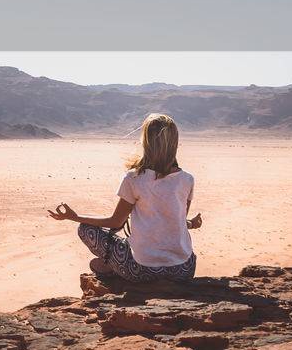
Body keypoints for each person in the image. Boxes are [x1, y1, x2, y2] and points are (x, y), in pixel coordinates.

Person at [48, 113, 202, 282]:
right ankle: (112, 264)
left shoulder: (134, 178)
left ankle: (111, 265)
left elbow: (116, 222)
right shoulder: (187, 179)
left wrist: (74, 217)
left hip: (142, 271)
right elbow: (174, 222)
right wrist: (192, 224)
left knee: (85, 229)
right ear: (174, 143)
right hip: (183, 270)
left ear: (146, 142)